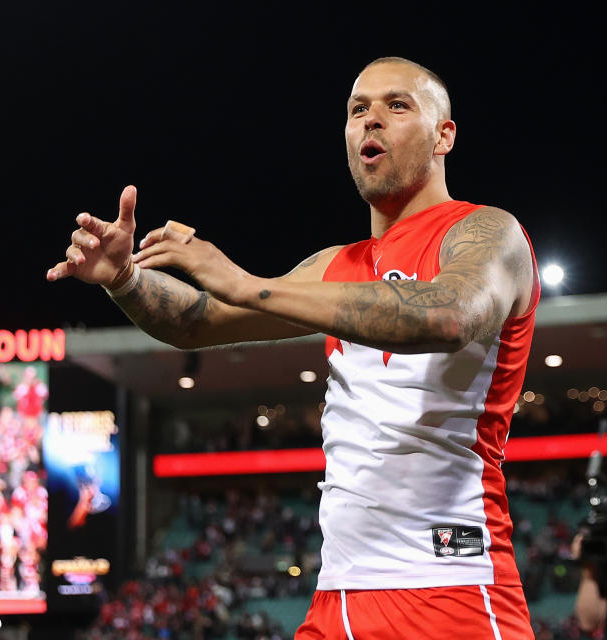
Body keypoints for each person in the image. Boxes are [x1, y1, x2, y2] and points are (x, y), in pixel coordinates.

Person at [47, 56, 539, 638]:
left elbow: (452, 314)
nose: (370, 121)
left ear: (444, 134)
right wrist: (123, 279)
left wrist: (249, 285)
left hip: (447, 590)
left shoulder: (486, 232)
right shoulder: (337, 265)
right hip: (336, 597)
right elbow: (197, 322)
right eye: (358, 110)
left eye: (396, 105)